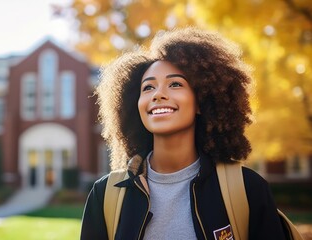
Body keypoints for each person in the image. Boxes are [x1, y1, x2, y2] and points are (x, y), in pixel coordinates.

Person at [80, 27, 287, 239]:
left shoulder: (246, 189)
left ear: (201, 101)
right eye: (148, 88)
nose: (159, 94)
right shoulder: (105, 195)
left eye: (175, 84)